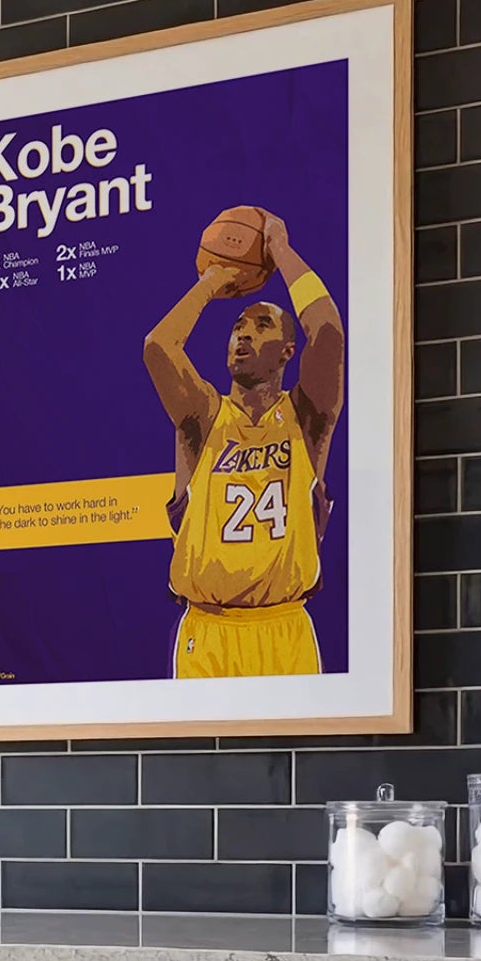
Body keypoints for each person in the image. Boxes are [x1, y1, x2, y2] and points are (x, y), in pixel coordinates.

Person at [142, 209, 345, 679]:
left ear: (288, 351)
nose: (243, 335)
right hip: (207, 631)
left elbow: (328, 332)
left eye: (260, 326)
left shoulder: (306, 419)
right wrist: (213, 279)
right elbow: (159, 347)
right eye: (237, 327)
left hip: (285, 627)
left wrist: (279, 249)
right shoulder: (203, 416)